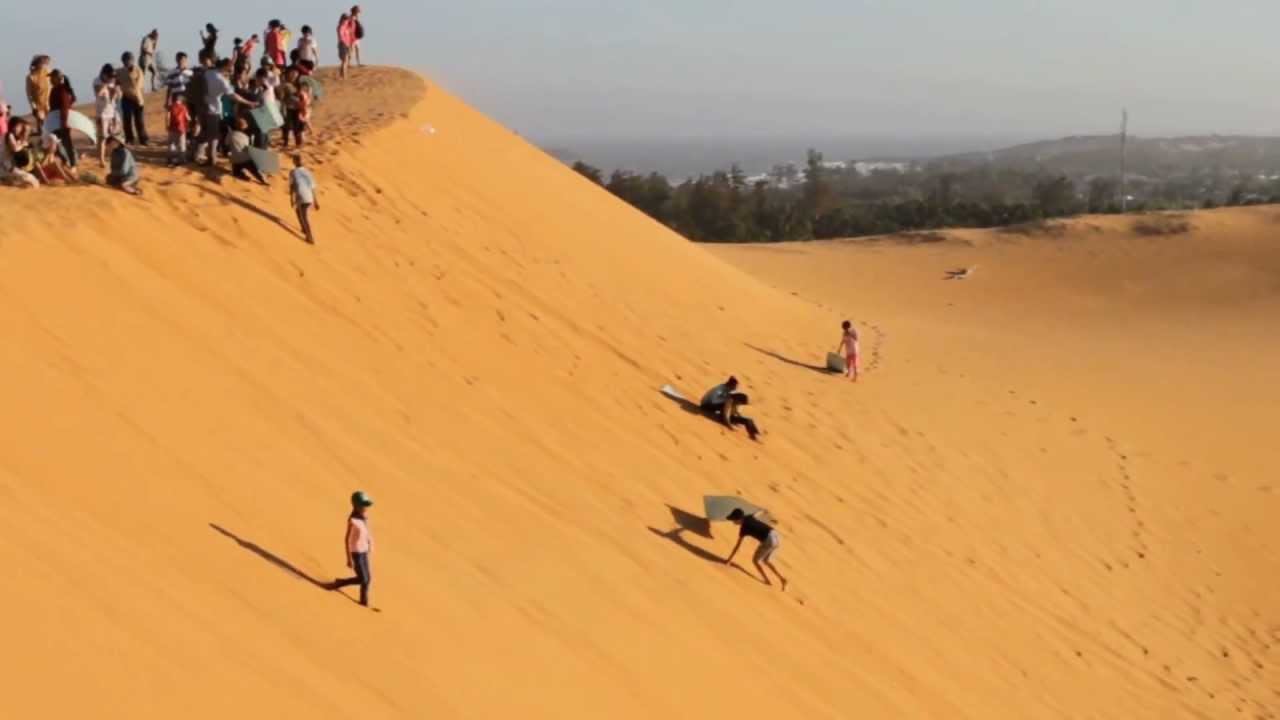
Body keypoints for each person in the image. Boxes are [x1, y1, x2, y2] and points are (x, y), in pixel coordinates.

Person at [196, 58, 259, 167]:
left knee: (206, 133)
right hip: (213, 110)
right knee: (213, 135)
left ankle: (202, 155)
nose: (232, 70)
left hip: (202, 107)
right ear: (226, 66)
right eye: (231, 66)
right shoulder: (221, 80)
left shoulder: (209, 72)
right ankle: (210, 157)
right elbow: (233, 96)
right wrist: (248, 103)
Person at [725, 508, 787, 590]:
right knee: (766, 561)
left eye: (734, 520)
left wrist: (729, 560)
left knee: (755, 561)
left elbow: (737, 546)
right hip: (776, 536)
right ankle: (782, 579)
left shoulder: (743, 528)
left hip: (768, 540)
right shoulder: (749, 517)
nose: (733, 522)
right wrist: (764, 510)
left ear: (739, 519)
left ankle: (767, 581)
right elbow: (757, 513)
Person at [333, 491, 374, 607]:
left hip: (364, 551)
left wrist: (370, 544)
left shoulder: (364, 518)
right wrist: (349, 558)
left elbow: (366, 533)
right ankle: (341, 582)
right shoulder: (352, 520)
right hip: (356, 552)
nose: (366, 507)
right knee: (363, 579)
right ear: (356, 506)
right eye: (363, 505)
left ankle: (364, 602)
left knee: (367, 579)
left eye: (366, 505)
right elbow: (346, 539)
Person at [699, 376, 760, 441]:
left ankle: (755, 435)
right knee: (728, 404)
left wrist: (739, 419)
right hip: (707, 405)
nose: (736, 388)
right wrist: (729, 425)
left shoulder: (733, 394)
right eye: (735, 386)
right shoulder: (720, 389)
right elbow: (712, 401)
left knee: (748, 420)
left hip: (722, 408)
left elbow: (737, 411)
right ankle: (723, 419)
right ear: (730, 384)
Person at [117, 53, 149, 146]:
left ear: (133, 60)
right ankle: (129, 139)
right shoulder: (119, 72)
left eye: (129, 60)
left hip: (138, 98)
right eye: (125, 60)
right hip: (126, 98)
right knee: (127, 120)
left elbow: (138, 86)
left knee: (140, 121)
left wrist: (137, 97)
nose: (127, 62)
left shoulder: (138, 70)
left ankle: (143, 139)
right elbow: (115, 80)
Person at [48, 69, 77, 168]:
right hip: (56, 121)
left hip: (61, 122)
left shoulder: (62, 90)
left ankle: (73, 164)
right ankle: (65, 162)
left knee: (66, 144)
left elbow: (64, 107)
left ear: (57, 78)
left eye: (52, 77)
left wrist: (63, 122)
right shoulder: (57, 89)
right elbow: (72, 100)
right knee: (57, 143)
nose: (50, 79)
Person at [93, 64, 121, 167]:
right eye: (109, 76)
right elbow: (98, 93)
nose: (111, 79)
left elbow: (116, 97)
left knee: (115, 136)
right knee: (102, 138)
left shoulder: (114, 81)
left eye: (112, 77)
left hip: (112, 112)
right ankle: (101, 160)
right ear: (103, 74)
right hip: (102, 114)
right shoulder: (97, 81)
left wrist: (116, 90)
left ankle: (113, 157)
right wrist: (106, 85)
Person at [2, 118, 41, 188]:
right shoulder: (9, 135)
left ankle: (7, 181)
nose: (20, 129)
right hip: (6, 166)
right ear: (13, 126)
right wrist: (22, 144)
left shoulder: (15, 137)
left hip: (8, 166)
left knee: (33, 182)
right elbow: (15, 149)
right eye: (18, 126)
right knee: (33, 183)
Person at [289, 154, 319, 244]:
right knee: (298, 211)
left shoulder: (292, 172)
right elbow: (312, 186)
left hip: (301, 196)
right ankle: (303, 228)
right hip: (309, 196)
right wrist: (315, 200)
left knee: (304, 216)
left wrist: (291, 198)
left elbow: (292, 186)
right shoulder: (307, 172)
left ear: (294, 161)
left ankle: (309, 236)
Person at [227, 117, 267, 184]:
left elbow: (226, 144)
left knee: (236, 171)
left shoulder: (230, 135)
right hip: (246, 160)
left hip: (235, 160)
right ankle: (263, 179)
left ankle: (242, 175)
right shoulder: (246, 137)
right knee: (255, 170)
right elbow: (247, 148)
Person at [25, 55, 52, 136]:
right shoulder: (30, 77)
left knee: (53, 126)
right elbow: (29, 95)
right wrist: (34, 108)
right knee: (43, 127)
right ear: (38, 64)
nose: (46, 65)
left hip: (50, 104)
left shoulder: (49, 72)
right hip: (39, 107)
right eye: (44, 63)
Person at [166, 93, 190, 166]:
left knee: (171, 143)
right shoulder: (183, 107)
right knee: (181, 144)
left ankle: (170, 158)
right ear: (180, 99)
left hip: (172, 128)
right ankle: (182, 159)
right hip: (181, 128)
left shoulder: (170, 107)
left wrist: (167, 125)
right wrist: (188, 125)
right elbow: (188, 118)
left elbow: (168, 117)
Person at [337, 13, 356, 79]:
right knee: (345, 60)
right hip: (342, 44)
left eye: (346, 19)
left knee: (346, 60)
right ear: (341, 19)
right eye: (344, 18)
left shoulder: (347, 25)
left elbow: (352, 21)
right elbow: (340, 36)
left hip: (347, 44)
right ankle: (344, 76)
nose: (345, 20)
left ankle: (341, 75)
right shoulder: (340, 27)